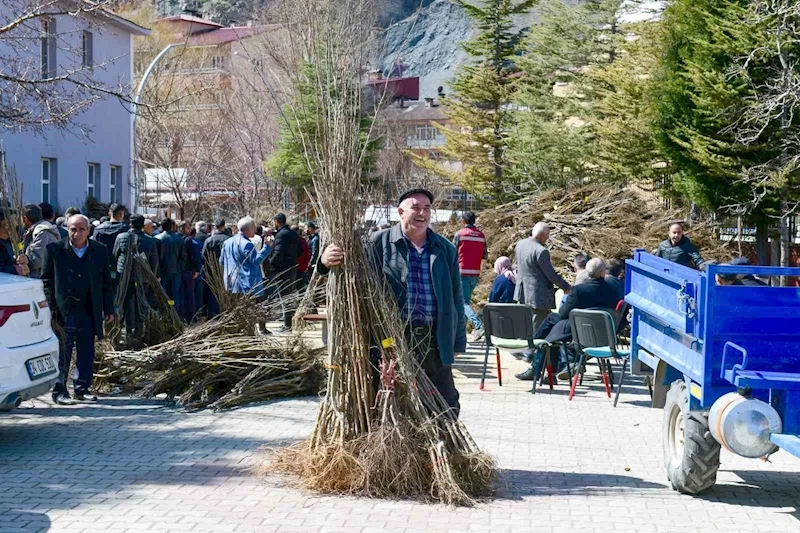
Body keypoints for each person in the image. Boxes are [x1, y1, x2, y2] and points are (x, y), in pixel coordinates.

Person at [319, 188, 466, 416]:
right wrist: (324, 261)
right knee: (393, 401)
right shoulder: (377, 243)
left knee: (444, 403)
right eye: (415, 208)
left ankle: (441, 447)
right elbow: (347, 271)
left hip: (434, 338)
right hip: (392, 338)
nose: (422, 213)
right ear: (400, 212)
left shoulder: (445, 249)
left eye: (427, 208)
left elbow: (457, 298)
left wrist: (457, 342)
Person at [42, 214, 114, 404]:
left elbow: (106, 282)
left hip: (89, 308)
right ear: (67, 229)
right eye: (73, 229)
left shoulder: (99, 250)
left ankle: (82, 388)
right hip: (63, 311)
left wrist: (109, 308)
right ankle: (59, 390)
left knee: (86, 350)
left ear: (88, 231)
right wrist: (51, 307)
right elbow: (46, 281)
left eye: (82, 229)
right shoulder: (54, 250)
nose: (77, 233)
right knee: (63, 351)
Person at [517, 258, 620, 381]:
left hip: (577, 331)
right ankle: (543, 366)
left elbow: (563, 313)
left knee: (551, 330)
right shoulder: (614, 291)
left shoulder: (579, 290)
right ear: (603, 272)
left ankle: (537, 359)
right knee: (553, 330)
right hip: (604, 332)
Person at [514, 221, 572, 330]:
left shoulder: (520, 244)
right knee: (538, 328)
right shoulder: (541, 251)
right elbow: (551, 275)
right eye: (546, 237)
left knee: (525, 325)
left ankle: (525, 345)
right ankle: (535, 346)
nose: (546, 240)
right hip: (538, 297)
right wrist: (566, 287)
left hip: (523, 292)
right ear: (541, 236)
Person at [220, 217, 272, 333]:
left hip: (231, 283)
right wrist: (267, 247)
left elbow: (221, 262)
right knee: (252, 310)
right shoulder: (247, 244)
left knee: (237, 311)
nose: (255, 231)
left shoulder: (227, 242)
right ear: (248, 229)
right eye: (253, 228)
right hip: (248, 283)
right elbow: (256, 261)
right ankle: (250, 332)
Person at [113, 214, 160, 338]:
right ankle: (139, 331)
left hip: (124, 277)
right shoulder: (150, 240)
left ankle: (127, 330)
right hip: (142, 278)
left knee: (125, 303)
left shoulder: (121, 237)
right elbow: (154, 262)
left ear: (130, 224)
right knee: (141, 303)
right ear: (143, 226)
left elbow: (115, 254)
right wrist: (153, 278)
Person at [453, 211, 488, 340]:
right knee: (465, 302)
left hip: (461, 272)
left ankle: (478, 325)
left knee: (462, 302)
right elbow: (485, 255)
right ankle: (460, 333)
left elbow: (452, 253)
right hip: (475, 273)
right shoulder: (481, 236)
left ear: (463, 221)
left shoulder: (460, 234)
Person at [268, 213, 302, 332]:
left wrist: (270, 263)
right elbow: (300, 251)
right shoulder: (293, 233)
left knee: (285, 296)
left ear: (277, 221)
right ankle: (289, 322)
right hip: (292, 267)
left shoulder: (281, 235)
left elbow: (278, 252)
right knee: (290, 295)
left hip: (281, 269)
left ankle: (287, 325)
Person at [91, 203, 129, 296]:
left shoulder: (98, 229)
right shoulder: (126, 229)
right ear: (121, 214)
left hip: (101, 267)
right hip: (120, 268)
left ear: (109, 214)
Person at [21, 203, 61, 278]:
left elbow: (39, 258)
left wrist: (26, 261)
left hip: (42, 279)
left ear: (25, 218)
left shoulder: (42, 233)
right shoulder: (40, 230)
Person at [155, 218, 186, 313]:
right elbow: (183, 257)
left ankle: (162, 315)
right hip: (176, 272)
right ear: (172, 226)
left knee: (161, 295)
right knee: (174, 295)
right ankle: (174, 314)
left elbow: (155, 258)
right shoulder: (179, 239)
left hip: (161, 272)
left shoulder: (157, 239)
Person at [201, 219, 229, 317]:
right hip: (227, 270)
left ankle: (213, 314)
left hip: (211, 270)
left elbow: (203, 256)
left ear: (215, 227)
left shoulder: (209, 240)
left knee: (212, 293)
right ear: (223, 226)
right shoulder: (228, 239)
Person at [178, 220, 200, 322]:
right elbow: (193, 256)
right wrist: (196, 270)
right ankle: (191, 317)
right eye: (187, 228)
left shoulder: (177, 238)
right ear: (182, 228)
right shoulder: (188, 240)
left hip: (179, 271)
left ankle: (182, 316)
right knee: (190, 294)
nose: (190, 229)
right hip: (188, 270)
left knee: (181, 294)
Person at [0, 209, 29, 276]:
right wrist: (15, 270)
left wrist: (26, 259)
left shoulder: (13, 241)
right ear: (4, 222)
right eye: (14, 220)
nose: (16, 224)